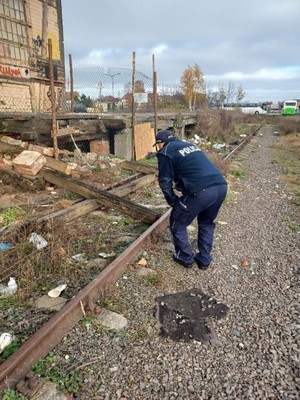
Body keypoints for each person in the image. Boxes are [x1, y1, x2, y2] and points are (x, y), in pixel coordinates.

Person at [154, 129, 227, 270]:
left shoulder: (165, 151)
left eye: (157, 145)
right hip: (221, 186)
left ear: (160, 143)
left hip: (201, 191)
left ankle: (185, 257)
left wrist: (173, 201)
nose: (158, 148)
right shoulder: (189, 145)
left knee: (177, 222)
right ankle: (204, 260)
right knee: (206, 224)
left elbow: (164, 180)